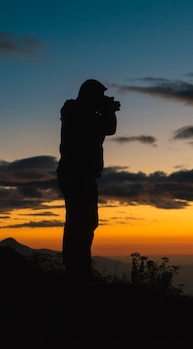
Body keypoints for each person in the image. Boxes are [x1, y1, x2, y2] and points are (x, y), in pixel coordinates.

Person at [57, 79, 120, 281]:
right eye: (99, 96)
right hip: (77, 173)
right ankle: (77, 270)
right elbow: (105, 128)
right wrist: (108, 110)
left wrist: (107, 111)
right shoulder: (76, 112)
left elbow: (108, 129)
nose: (102, 100)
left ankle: (77, 268)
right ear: (90, 96)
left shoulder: (81, 112)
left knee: (83, 221)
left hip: (80, 173)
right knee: (80, 222)